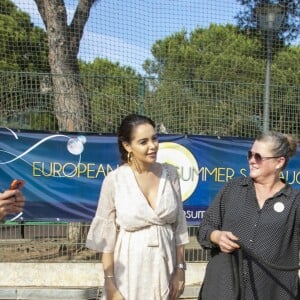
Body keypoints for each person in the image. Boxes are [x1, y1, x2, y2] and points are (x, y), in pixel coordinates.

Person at [86, 113, 189, 300]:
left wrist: (180, 269)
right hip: (129, 272)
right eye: (143, 142)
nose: (153, 146)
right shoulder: (115, 180)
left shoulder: (170, 174)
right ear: (127, 146)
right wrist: (110, 282)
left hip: (165, 268)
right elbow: (107, 238)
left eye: (154, 138)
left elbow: (179, 226)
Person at [197, 131, 300, 300]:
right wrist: (217, 236)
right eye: (250, 154)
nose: (251, 160)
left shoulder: (294, 202)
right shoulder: (233, 189)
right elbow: (205, 228)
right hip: (225, 288)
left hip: (270, 291)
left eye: (258, 156)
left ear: (279, 162)